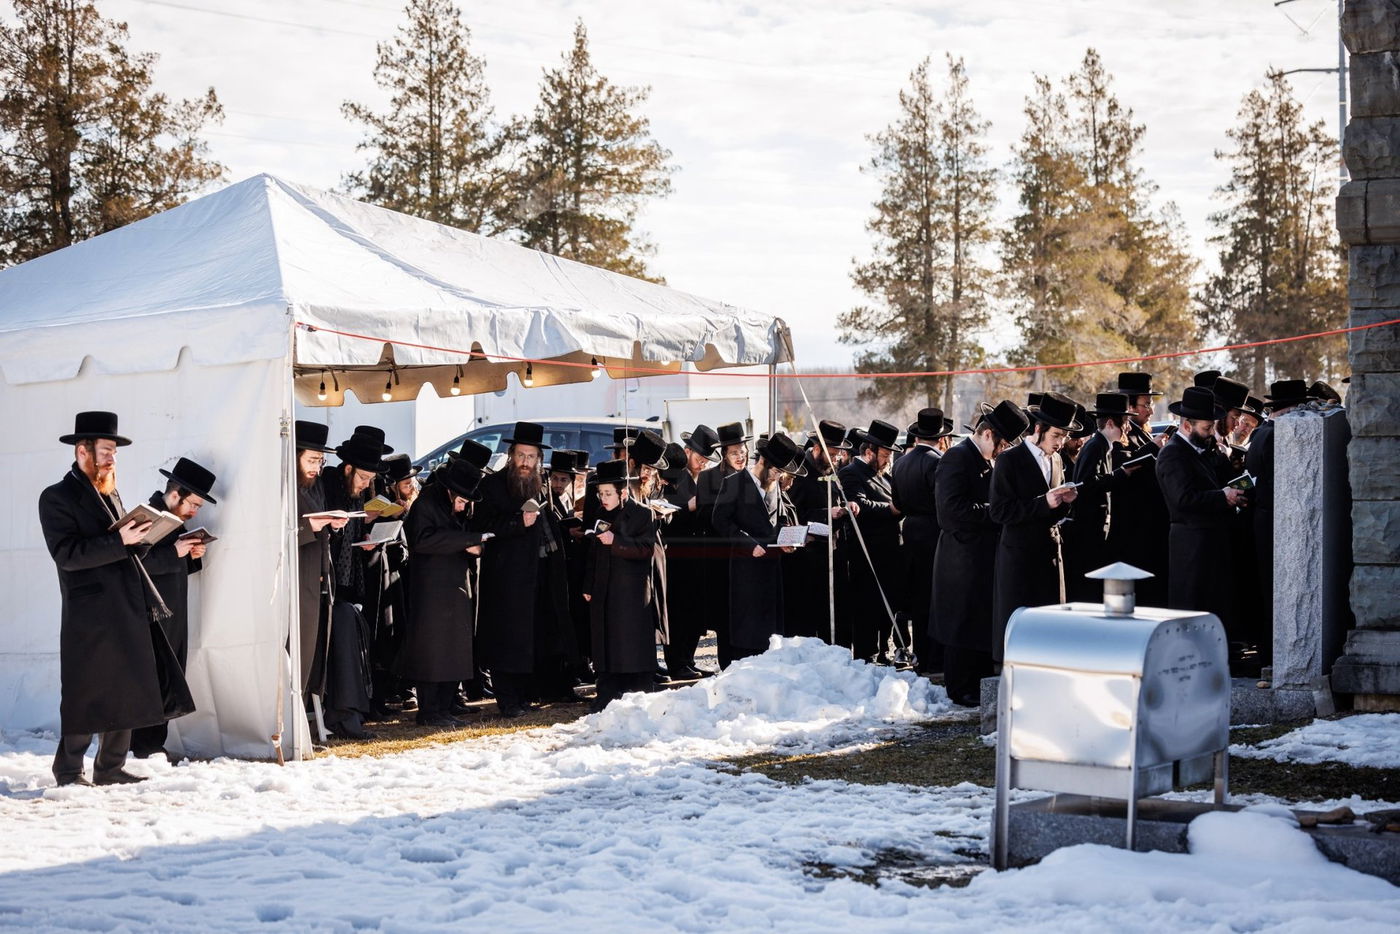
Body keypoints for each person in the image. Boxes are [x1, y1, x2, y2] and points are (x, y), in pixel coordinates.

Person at [38, 412, 195, 786]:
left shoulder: (110, 493)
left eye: (114, 453)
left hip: (127, 603)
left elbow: (124, 549)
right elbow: (67, 555)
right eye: (107, 451)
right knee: (84, 691)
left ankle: (109, 768)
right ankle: (68, 769)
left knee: (128, 686)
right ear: (82, 452)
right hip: (89, 611)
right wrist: (120, 540)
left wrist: (144, 536)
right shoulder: (56, 497)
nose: (112, 459)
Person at [473, 422, 577, 717]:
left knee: (532, 637)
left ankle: (524, 695)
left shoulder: (539, 481)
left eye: (531, 457)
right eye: (521, 456)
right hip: (507, 578)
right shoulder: (492, 485)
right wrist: (518, 524)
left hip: (538, 573)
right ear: (511, 455)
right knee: (507, 638)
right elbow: (483, 528)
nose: (526, 463)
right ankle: (507, 699)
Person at [932, 401, 1027, 706]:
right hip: (960, 556)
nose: (1001, 452)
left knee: (979, 620)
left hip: (981, 556)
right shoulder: (956, 459)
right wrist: (995, 513)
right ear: (987, 435)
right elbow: (950, 510)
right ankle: (960, 687)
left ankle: (976, 681)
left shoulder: (985, 460)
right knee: (961, 621)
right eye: (1000, 445)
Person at [130, 457, 217, 760]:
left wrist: (191, 554)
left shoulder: (177, 522)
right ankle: (142, 747)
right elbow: (132, 565)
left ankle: (154, 746)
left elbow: (172, 567)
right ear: (175, 493)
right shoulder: (147, 518)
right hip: (148, 616)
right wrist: (176, 552)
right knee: (151, 682)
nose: (194, 511)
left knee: (169, 680)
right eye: (193, 504)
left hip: (173, 614)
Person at [989, 392, 1081, 664]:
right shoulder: (1010, 460)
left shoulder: (1057, 460)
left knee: (1050, 625)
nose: (1061, 442)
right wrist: (1044, 503)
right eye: (1056, 436)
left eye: (1064, 436)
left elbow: (1053, 509)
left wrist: (1066, 502)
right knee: (1019, 628)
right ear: (1039, 429)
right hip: (1019, 557)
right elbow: (999, 511)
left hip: (1051, 555)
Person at [397, 457, 488, 728]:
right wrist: (468, 541)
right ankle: (430, 710)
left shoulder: (451, 507)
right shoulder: (426, 505)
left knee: (455, 648)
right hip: (432, 590)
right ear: (450, 491)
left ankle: (447, 705)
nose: (463, 507)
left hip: (455, 585)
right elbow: (422, 540)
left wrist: (476, 545)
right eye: (462, 500)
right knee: (433, 650)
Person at [1156, 386, 1248, 647]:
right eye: (1206, 429)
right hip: (1191, 546)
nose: (1210, 434)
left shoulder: (1205, 450)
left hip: (1212, 542)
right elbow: (1183, 499)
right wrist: (1223, 497)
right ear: (1186, 425)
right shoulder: (1172, 454)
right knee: (1192, 608)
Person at [713, 432, 805, 662]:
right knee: (748, 628)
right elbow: (720, 521)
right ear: (763, 462)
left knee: (769, 629)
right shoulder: (733, 483)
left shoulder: (775, 485)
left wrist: (788, 539)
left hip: (771, 566)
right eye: (775, 471)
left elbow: (781, 518)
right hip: (745, 566)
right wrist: (746, 543)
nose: (778, 477)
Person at [319, 428, 387, 740]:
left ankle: (351, 715)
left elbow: (353, 542)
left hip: (347, 588)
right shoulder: (328, 487)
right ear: (347, 469)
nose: (364, 485)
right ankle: (343, 717)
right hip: (324, 587)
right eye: (362, 478)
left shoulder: (354, 493)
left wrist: (368, 540)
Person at [583, 460, 665, 710]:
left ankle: (636, 689)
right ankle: (607, 691)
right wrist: (588, 585)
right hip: (604, 588)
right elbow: (592, 553)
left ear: (623, 492)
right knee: (605, 642)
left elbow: (647, 548)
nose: (603, 498)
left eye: (608, 493)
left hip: (632, 591)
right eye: (600, 493)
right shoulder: (599, 513)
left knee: (630, 642)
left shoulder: (642, 513)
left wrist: (616, 541)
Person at [1245, 379, 1310, 672]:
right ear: (1292, 410)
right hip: (1272, 519)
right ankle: (1274, 655)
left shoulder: (1261, 433)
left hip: (1261, 517)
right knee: (1275, 587)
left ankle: (1269, 652)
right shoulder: (1274, 436)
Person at [890, 408, 951, 674]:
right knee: (934, 599)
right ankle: (934, 658)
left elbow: (897, 504)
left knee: (918, 600)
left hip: (910, 531)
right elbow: (943, 503)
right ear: (940, 437)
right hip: (933, 532)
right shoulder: (937, 463)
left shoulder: (901, 462)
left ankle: (922, 655)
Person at [839, 420, 904, 663]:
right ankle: (867, 654)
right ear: (869, 452)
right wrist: (891, 509)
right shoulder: (850, 473)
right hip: (866, 553)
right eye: (885, 455)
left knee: (886, 606)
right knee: (866, 607)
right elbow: (860, 504)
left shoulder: (884, 476)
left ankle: (883, 650)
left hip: (890, 552)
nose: (888, 460)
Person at [785, 420, 855, 643]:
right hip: (808, 557)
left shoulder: (833, 471)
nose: (836, 460)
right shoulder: (799, 473)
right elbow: (794, 514)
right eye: (832, 455)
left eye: (838, 456)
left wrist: (846, 507)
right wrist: (827, 512)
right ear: (817, 449)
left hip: (833, 552)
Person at [1067, 393, 1142, 598]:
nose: (1127, 428)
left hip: (1098, 531)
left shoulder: (1104, 447)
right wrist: (1120, 475)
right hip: (1088, 531)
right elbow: (1085, 484)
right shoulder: (1095, 447)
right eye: (1124, 422)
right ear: (1110, 423)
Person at [662, 426, 720, 678]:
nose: (702, 464)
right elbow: (668, 512)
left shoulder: (703, 478)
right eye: (699, 458)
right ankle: (677, 662)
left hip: (698, 554)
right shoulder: (674, 476)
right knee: (679, 612)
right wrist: (690, 506)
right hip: (677, 553)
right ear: (687, 452)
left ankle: (688, 658)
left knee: (695, 611)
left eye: (705, 460)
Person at [364, 452, 417, 718]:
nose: (412, 489)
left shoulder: (412, 505)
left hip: (398, 578)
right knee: (382, 636)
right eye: (407, 485)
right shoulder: (380, 505)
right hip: (381, 577)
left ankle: (400, 689)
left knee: (397, 634)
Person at [294, 421, 343, 700]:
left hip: (317, 576)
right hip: (297, 577)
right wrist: (312, 526)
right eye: (311, 460)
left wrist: (331, 525)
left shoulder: (316, 485)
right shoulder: (284, 485)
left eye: (320, 461)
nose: (316, 467)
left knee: (312, 650)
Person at [1114, 372, 1171, 605]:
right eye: (1145, 404)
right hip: (1135, 528)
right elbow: (1123, 466)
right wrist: (1153, 448)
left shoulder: (1145, 432)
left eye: (1151, 403)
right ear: (1130, 406)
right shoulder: (1123, 435)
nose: (1150, 410)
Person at [702, 422, 750, 667]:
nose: (740, 457)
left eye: (743, 452)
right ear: (723, 454)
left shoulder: (751, 477)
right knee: (723, 615)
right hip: (719, 555)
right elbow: (706, 517)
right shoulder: (708, 477)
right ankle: (726, 663)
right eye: (734, 453)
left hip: (745, 554)